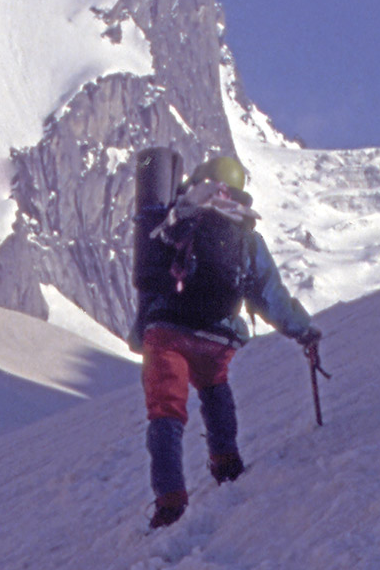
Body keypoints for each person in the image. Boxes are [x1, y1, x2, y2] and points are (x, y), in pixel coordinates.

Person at [130, 151, 320, 529]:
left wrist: (143, 329)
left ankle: (169, 501)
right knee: (216, 390)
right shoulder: (247, 235)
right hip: (218, 336)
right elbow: (271, 297)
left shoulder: (177, 216)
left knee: (166, 411)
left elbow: (149, 274)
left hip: (168, 331)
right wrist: (304, 331)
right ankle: (227, 464)